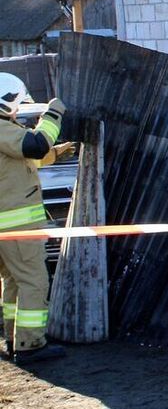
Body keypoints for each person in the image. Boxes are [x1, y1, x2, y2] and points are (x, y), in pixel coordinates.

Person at [0, 73, 73, 365]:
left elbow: (24, 160)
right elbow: (33, 146)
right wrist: (53, 114)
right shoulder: (2, 129)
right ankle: (31, 344)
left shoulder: (6, 132)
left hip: (8, 228)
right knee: (34, 282)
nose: (18, 110)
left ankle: (13, 336)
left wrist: (56, 151)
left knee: (14, 283)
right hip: (16, 226)